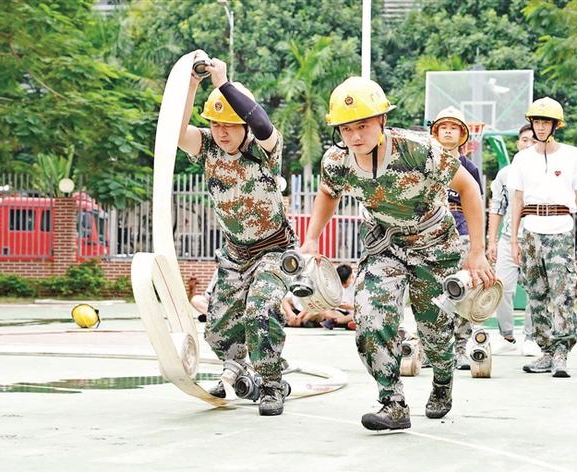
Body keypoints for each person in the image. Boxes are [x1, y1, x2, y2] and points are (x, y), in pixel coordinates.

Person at [301, 77, 495, 431]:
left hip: (434, 244)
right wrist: (312, 238)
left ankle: (442, 379)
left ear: (381, 121)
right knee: (371, 317)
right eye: (346, 129)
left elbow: (469, 189)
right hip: (384, 246)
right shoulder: (338, 160)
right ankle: (392, 402)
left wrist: (478, 251)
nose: (355, 136)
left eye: (363, 125)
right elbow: (328, 193)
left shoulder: (418, 149)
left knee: (434, 331)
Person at [178, 52, 295, 415]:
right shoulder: (208, 147)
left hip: (274, 251)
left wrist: (222, 83)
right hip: (234, 254)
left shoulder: (263, 151)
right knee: (215, 328)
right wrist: (192, 85)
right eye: (216, 124)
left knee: (260, 311)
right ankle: (241, 369)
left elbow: (262, 123)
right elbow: (176, 132)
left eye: (229, 124)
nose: (222, 132)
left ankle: (274, 384)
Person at [508, 97, 577, 378]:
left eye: (546, 122)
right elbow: (517, 200)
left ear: (556, 125)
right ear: (531, 124)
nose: (541, 127)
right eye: (537, 121)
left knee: (562, 292)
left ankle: (561, 351)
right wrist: (514, 240)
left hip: (560, 229)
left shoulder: (572, 155)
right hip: (531, 229)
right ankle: (545, 350)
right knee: (536, 293)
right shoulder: (521, 158)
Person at [430, 107, 484, 370]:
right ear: (435, 132)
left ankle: (461, 347)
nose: (448, 131)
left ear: (462, 134)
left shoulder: (469, 168)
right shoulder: (425, 162)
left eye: (454, 127)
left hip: (460, 233)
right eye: (443, 127)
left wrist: (478, 245)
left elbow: (475, 205)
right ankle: (432, 350)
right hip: (430, 236)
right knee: (430, 291)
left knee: (462, 290)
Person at [487, 124, 541, 357]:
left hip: (534, 237)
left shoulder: (544, 172)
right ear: (518, 143)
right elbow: (497, 208)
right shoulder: (505, 174)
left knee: (534, 290)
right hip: (508, 239)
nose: (527, 143)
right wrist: (492, 241)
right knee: (502, 288)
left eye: (532, 140)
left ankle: (530, 338)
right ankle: (507, 336)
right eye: (524, 140)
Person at [321, 263, 356, 330]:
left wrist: (350, 307)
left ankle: (337, 322)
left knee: (355, 316)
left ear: (351, 276)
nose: (343, 285)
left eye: (345, 283)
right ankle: (343, 323)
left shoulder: (359, 285)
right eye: (341, 283)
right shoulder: (335, 284)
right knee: (326, 312)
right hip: (344, 314)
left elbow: (363, 308)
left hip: (355, 313)